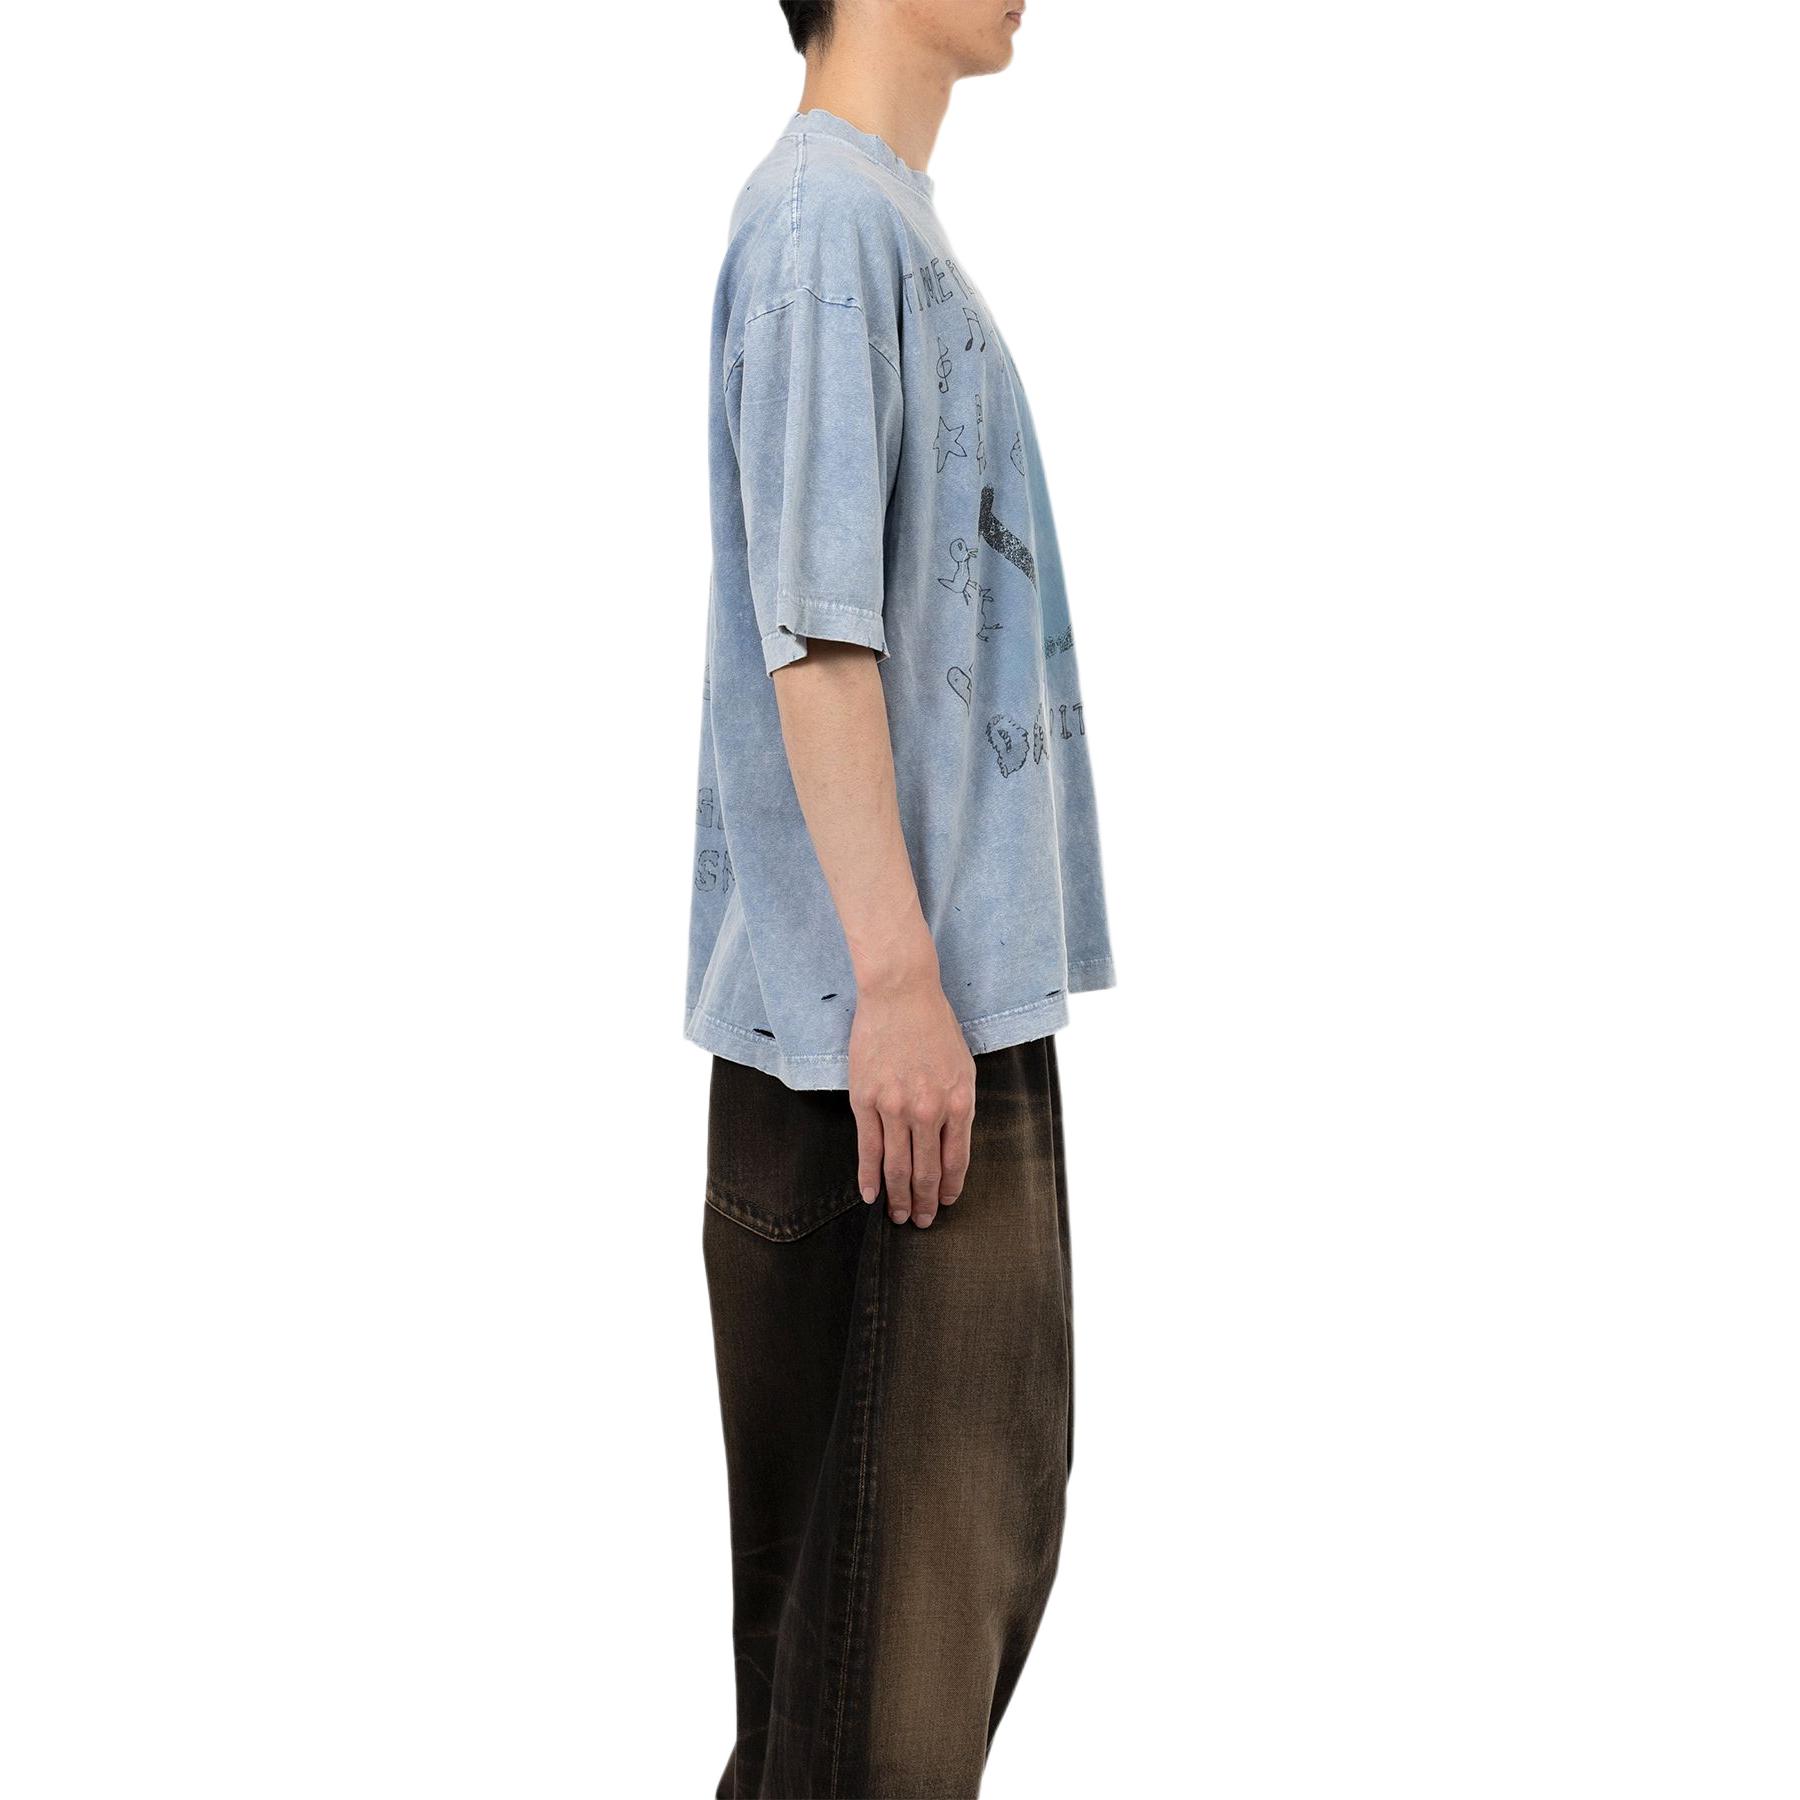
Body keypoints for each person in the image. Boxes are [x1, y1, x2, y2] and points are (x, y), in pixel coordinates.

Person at [686, 3, 1115, 1792]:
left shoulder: (876, 219)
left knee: (910, 1645)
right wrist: (894, 982)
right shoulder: (821, 222)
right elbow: (818, 634)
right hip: (879, 1055)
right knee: (874, 1700)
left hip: (931, 1022)